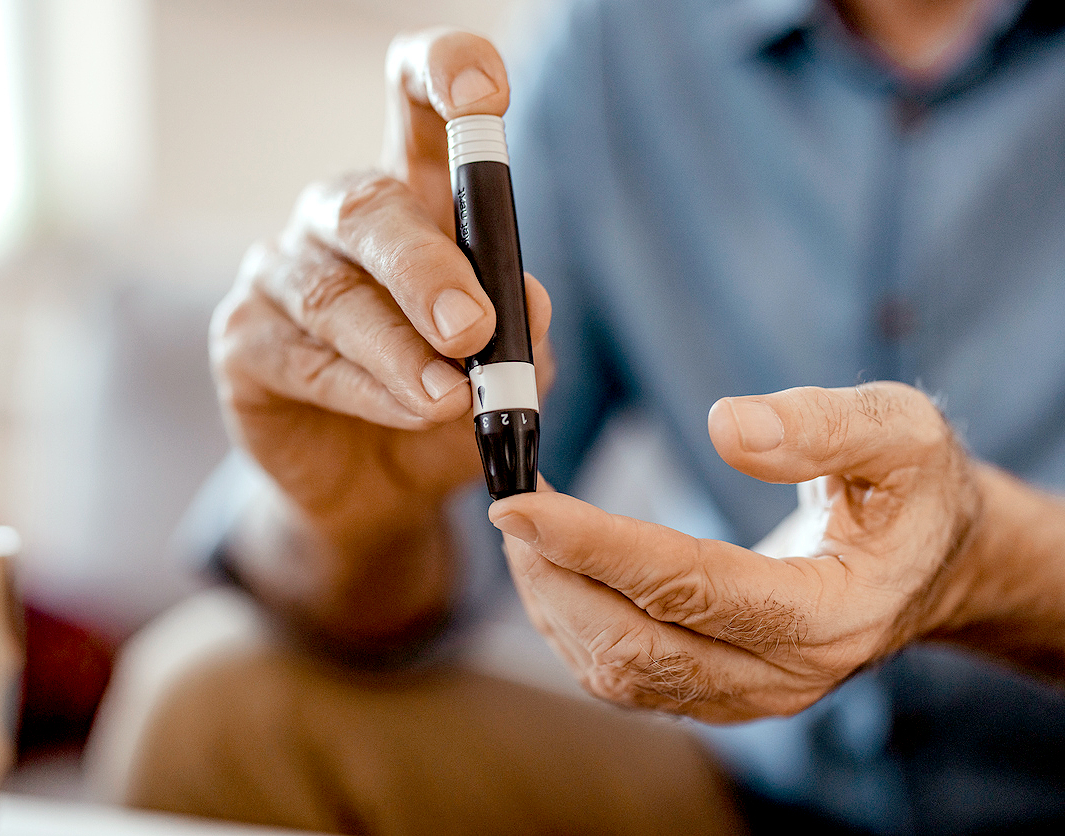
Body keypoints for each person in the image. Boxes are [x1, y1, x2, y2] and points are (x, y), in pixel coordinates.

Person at [103, 1, 1065, 833]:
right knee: (206, 712)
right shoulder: (620, 41)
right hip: (753, 791)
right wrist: (350, 517)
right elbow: (457, 547)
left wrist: (990, 563)